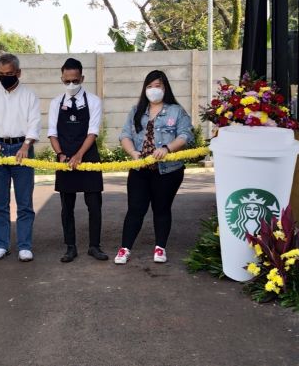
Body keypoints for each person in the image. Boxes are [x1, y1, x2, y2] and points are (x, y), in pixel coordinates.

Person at [114, 70, 193, 265]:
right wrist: (134, 154)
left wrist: (167, 148)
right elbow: (125, 135)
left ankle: (160, 247)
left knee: (162, 208)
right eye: (149, 86)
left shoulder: (176, 111)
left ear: (165, 88)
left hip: (168, 171)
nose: (153, 90)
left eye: (157, 86)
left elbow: (185, 135)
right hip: (140, 169)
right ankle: (125, 248)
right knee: (135, 209)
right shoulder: (136, 110)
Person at [0, 53, 41, 262]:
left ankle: (24, 246)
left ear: (18, 73)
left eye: (10, 74)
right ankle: (1, 244)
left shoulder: (29, 95)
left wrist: (25, 145)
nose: (5, 77)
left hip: (22, 149)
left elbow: (34, 123)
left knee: (24, 201)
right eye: (1, 74)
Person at [47, 58, 108, 263]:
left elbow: (93, 132)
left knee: (94, 204)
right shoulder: (56, 102)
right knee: (67, 206)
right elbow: (52, 133)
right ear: (62, 79)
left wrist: (79, 155)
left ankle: (94, 246)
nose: (71, 85)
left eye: (74, 81)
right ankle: (70, 247)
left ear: (82, 78)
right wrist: (60, 154)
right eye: (67, 81)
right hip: (64, 157)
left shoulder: (94, 101)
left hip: (88, 156)